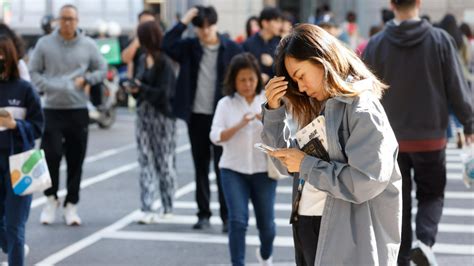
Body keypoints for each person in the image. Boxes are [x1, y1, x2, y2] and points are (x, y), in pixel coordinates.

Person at [263, 24, 402, 266]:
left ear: (321, 60)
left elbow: (366, 180)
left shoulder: (361, 107)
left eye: (301, 76)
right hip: (309, 223)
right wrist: (274, 111)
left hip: (343, 234)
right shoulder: (321, 104)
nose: (302, 88)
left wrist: (306, 164)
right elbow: (288, 165)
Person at [363, 1, 473, 265]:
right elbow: (456, 86)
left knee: (397, 200)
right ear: (419, 3)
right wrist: (469, 122)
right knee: (432, 194)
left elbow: (364, 94)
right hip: (431, 138)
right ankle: (424, 243)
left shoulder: (376, 44)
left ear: (391, 4)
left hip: (389, 142)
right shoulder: (440, 40)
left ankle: (401, 256)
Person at [162, 6, 242, 232]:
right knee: (200, 167)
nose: (205, 30)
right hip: (196, 115)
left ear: (215, 24)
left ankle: (227, 217)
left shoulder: (231, 48)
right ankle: (203, 214)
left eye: (208, 25)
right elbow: (166, 44)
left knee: (223, 167)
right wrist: (184, 21)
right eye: (200, 26)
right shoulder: (189, 47)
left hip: (222, 118)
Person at [29, 4, 107, 226]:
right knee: (50, 156)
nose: (67, 22)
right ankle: (50, 199)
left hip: (77, 109)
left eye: (71, 19)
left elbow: (102, 68)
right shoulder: (44, 44)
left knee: (76, 158)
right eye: (64, 18)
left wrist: (87, 80)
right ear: (57, 21)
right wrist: (48, 86)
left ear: (78, 21)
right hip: (51, 109)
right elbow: (33, 71)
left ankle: (71, 204)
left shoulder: (88, 45)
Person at [210, 53, 276, 266]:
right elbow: (215, 137)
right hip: (232, 170)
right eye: (242, 80)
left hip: (263, 171)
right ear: (233, 81)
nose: (247, 84)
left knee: (267, 227)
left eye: (251, 79)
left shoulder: (267, 100)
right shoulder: (225, 104)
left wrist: (266, 119)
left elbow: (285, 134)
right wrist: (239, 124)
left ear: (258, 78)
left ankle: (265, 254)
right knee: (237, 221)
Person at [126, 20, 177, 224]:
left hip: (163, 117)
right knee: (144, 161)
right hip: (143, 115)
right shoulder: (142, 58)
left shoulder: (165, 60)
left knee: (164, 163)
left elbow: (165, 94)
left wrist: (141, 89)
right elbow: (141, 85)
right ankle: (147, 207)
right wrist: (133, 88)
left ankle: (168, 205)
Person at [0, 35, 43, 266]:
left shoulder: (25, 89)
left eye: (2, 56)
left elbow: (38, 126)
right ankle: (12, 246)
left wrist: (15, 125)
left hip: (20, 162)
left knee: (16, 224)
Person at [243, 7, 282, 84]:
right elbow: (242, 68)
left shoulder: (281, 44)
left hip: (275, 90)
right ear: (265, 23)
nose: (280, 25)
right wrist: (255, 76)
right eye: (276, 21)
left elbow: (285, 71)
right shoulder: (248, 43)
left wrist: (272, 64)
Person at [121, 10, 156, 80]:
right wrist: (136, 41)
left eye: (151, 23)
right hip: (139, 83)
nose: (148, 27)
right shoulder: (135, 41)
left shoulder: (158, 41)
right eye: (144, 23)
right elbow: (125, 59)